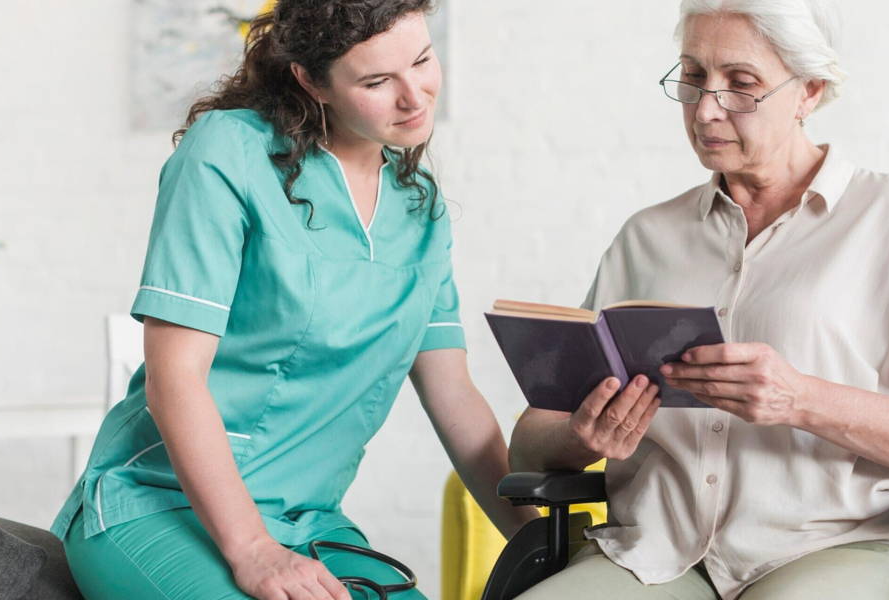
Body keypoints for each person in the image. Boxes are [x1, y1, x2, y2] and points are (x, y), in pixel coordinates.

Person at [508, 1, 889, 598]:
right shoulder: (646, 238)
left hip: (841, 546)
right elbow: (530, 440)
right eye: (693, 77)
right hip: (658, 556)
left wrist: (800, 399)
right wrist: (581, 435)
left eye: (741, 84)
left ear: (809, 91)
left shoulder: (886, 217)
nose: (706, 109)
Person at [50, 2, 534, 598]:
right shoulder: (226, 151)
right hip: (157, 503)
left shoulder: (418, 204)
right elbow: (174, 379)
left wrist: (539, 545)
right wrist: (253, 550)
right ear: (310, 80)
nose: (415, 96)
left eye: (423, 61)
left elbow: (454, 397)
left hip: (309, 522)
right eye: (378, 82)